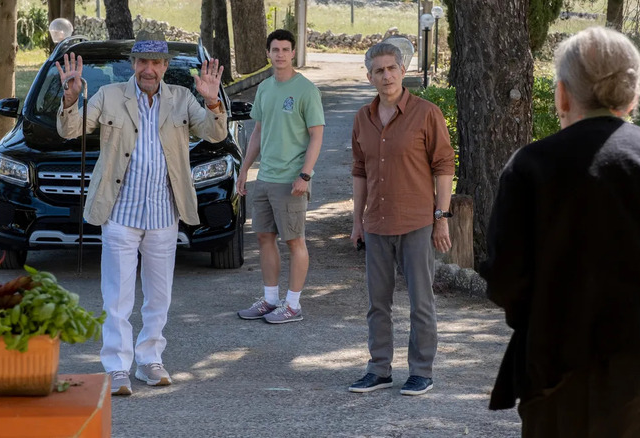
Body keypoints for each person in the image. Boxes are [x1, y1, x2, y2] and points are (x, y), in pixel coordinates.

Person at [481, 27, 640, 437]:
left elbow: (507, 282)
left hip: (572, 372)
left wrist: (551, 323)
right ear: (633, 96)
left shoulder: (533, 167)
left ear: (562, 94)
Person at [56, 30, 227, 396]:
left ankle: (150, 360)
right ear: (132, 64)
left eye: (155, 62)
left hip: (164, 214)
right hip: (120, 212)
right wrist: (71, 96)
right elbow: (70, 128)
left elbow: (214, 134)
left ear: (165, 66)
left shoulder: (181, 98)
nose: (148, 69)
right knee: (116, 296)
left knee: (159, 295)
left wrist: (212, 102)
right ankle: (117, 367)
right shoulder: (109, 95)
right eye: (142, 62)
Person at [347, 42, 455, 396]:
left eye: (392, 68)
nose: (386, 75)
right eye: (379, 70)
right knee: (377, 304)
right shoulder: (362, 118)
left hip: (416, 223)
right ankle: (378, 370)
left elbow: (443, 166)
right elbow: (360, 171)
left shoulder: (426, 113)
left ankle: (421, 371)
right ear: (369, 77)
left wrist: (442, 217)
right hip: (376, 225)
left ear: (402, 71)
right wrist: (356, 221)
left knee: (421, 302)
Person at [236, 29, 325, 324]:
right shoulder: (264, 88)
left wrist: (305, 175)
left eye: (286, 49)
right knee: (264, 237)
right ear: (268, 53)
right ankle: (270, 300)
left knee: (295, 241)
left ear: (293, 53)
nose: (280, 54)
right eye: (275, 49)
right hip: (266, 177)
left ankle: (293, 305)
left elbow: (316, 136)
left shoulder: (306, 90)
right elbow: (258, 132)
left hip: (292, 180)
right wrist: (245, 168)